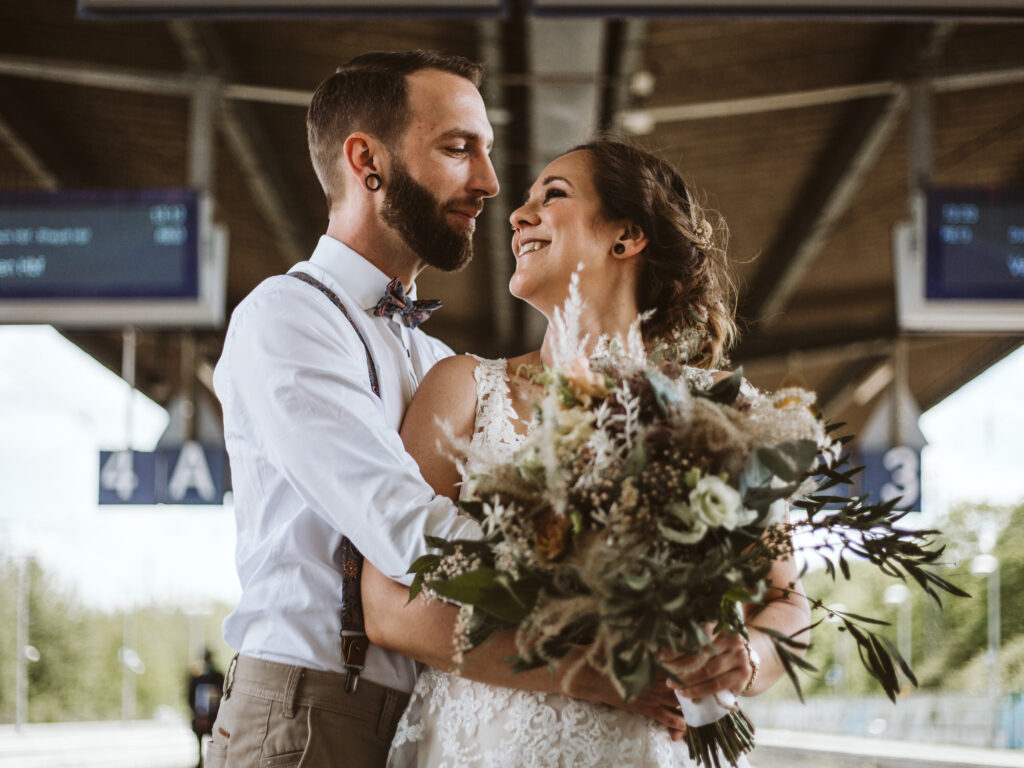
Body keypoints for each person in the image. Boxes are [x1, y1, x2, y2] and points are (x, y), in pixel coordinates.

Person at [207, 53, 685, 768]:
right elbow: (405, 527)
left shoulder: (434, 360)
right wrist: (610, 594)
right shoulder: (287, 318)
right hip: (308, 713)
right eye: (460, 149)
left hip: (423, 714)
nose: (489, 183)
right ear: (368, 161)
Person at [362, 139, 812, 767]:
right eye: (523, 204)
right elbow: (390, 610)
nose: (518, 216)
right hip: (480, 747)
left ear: (626, 237)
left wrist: (747, 661)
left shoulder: (725, 415)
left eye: (552, 196)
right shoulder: (464, 389)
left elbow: (786, 601)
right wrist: (602, 677)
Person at [188, 649, 225, 768]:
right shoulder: (197, 679)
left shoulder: (218, 677)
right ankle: (201, 758)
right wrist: (199, 715)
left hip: (215, 717)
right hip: (201, 717)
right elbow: (190, 698)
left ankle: (213, 759)